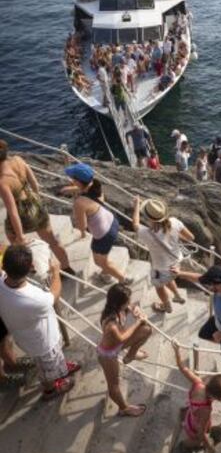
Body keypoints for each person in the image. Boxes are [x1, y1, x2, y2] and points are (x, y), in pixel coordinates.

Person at [0, 245, 80, 399]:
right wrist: (56, 272)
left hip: (26, 336)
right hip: (43, 342)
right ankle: (50, 389)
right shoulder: (34, 299)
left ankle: (60, 368)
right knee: (46, 369)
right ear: (31, 267)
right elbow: (54, 295)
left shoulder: (2, 282)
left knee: (52, 361)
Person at [0, 140, 74, 274]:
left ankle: (30, 266)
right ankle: (66, 267)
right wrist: (36, 201)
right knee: (52, 240)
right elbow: (35, 184)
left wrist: (21, 236)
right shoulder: (18, 160)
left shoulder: (3, 182)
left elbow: (13, 211)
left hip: (22, 212)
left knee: (13, 240)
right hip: (34, 203)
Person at [63, 163, 133, 285]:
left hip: (103, 235)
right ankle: (106, 273)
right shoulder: (96, 186)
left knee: (99, 262)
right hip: (113, 223)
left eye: (73, 178)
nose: (71, 180)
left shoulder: (79, 203)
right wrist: (69, 189)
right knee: (103, 256)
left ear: (78, 182)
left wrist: (81, 233)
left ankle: (123, 279)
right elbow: (83, 188)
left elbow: (82, 227)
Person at [173, 342, 221, 453]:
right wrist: (209, 447)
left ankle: (210, 432)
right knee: (198, 441)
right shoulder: (206, 410)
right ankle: (185, 446)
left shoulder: (198, 382)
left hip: (192, 415)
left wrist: (177, 351)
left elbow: (182, 367)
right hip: (194, 427)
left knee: (206, 427)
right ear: (217, 397)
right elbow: (200, 433)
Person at [132, 196, 194, 313]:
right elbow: (191, 237)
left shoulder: (146, 233)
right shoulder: (175, 222)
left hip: (161, 269)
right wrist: (175, 236)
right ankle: (177, 295)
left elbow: (135, 224)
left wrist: (136, 205)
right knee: (170, 277)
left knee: (159, 287)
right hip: (176, 264)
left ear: (148, 217)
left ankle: (167, 306)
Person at [97, 284, 151, 417]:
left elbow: (131, 307)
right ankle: (124, 408)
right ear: (119, 303)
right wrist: (138, 322)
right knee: (114, 384)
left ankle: (130, 355)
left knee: (147, 329)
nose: (129, 303)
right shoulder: (111, 324)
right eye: (127, 301)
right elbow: (122, 338)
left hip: (117, 346)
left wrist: (136, 309)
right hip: (108, 355)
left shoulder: (119, 308)